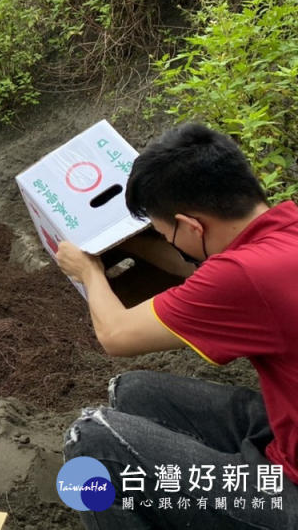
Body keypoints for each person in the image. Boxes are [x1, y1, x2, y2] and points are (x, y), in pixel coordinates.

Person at [56, 123, 298, 529]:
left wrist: (89, 272)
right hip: (285, 437)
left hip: (290, 493)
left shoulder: (242, 277)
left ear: (191, 225)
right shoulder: (283, 230)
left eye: (163, 231)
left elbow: (114, 334)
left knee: (91, 441)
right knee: (135, 392)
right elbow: (206, 274)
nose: (167, 241)